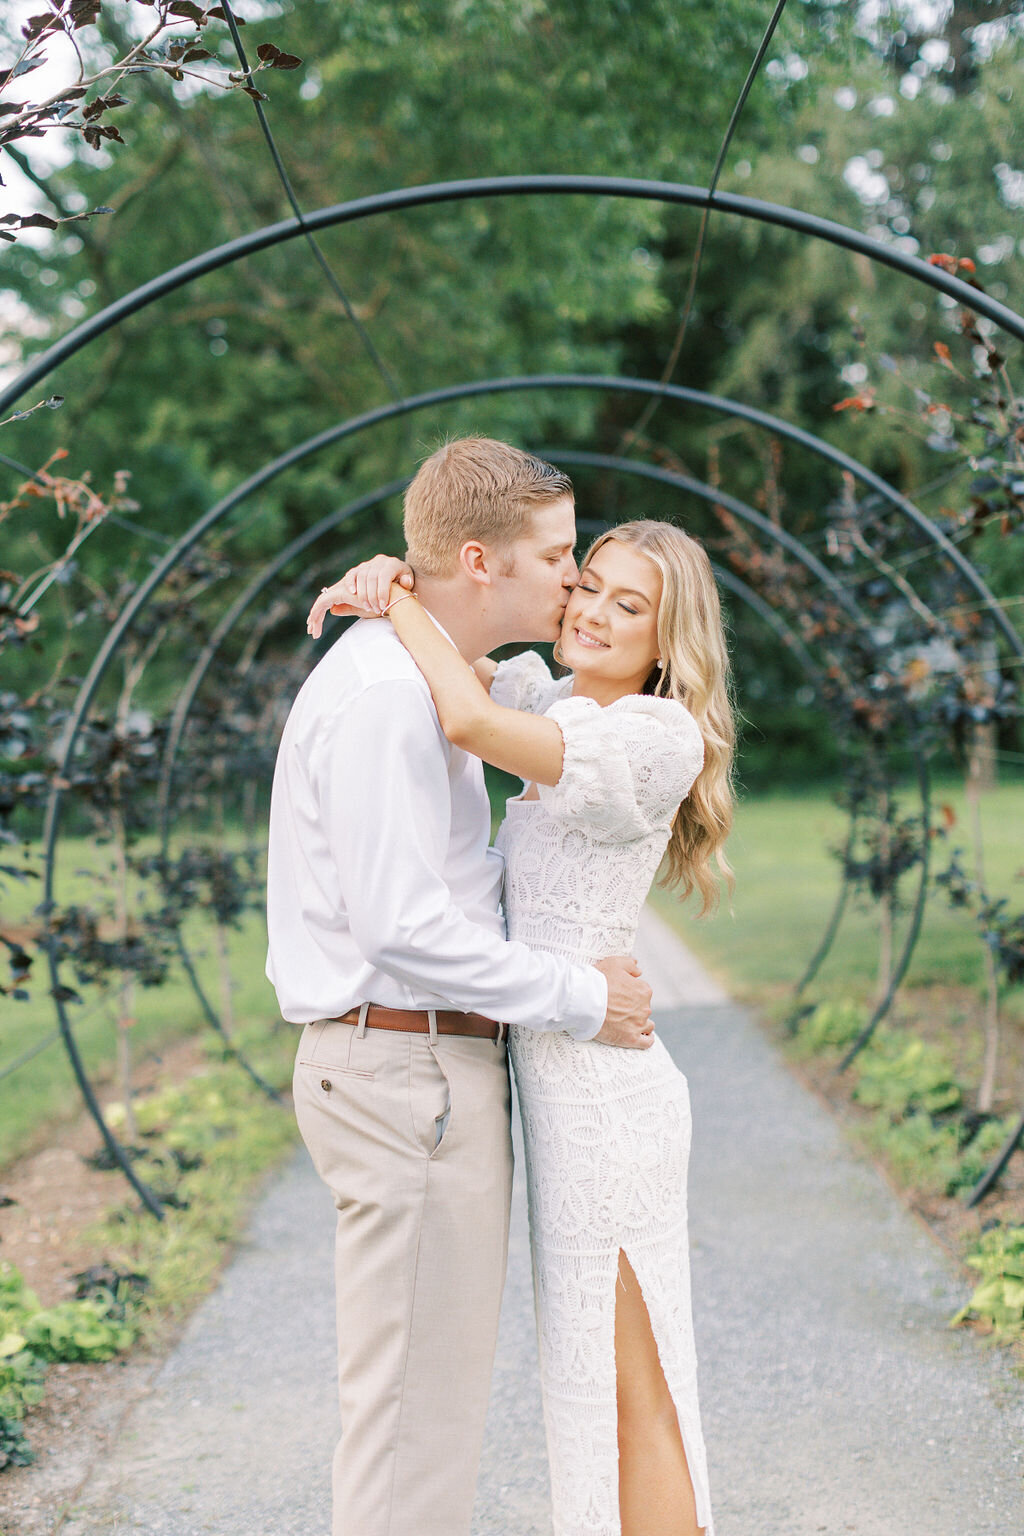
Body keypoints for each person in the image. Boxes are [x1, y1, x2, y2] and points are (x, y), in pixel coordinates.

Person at [310, 515, 735, 1536]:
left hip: (607, 1100)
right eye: (585, 583)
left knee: (633, 1382)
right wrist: (394, 576)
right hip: (558, 1081)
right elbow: (468, 656)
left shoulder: (650, 733)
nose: (587, 610)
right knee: (584, 1380)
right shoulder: (564, 702)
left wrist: (396, 600)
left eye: (625, 605)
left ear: (667, 640)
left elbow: (463, 713)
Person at [266, 437, 655, 1536]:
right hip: (407, 1067)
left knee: (418, 1415)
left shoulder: (419, 671)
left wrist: (394, 590)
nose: (574, 580)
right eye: (558, 555)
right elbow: (406, 926)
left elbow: (452, 865)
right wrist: (582, 993)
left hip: (412, 1068)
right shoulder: (389, 693)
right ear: (479, 560)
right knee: (410, 1430)